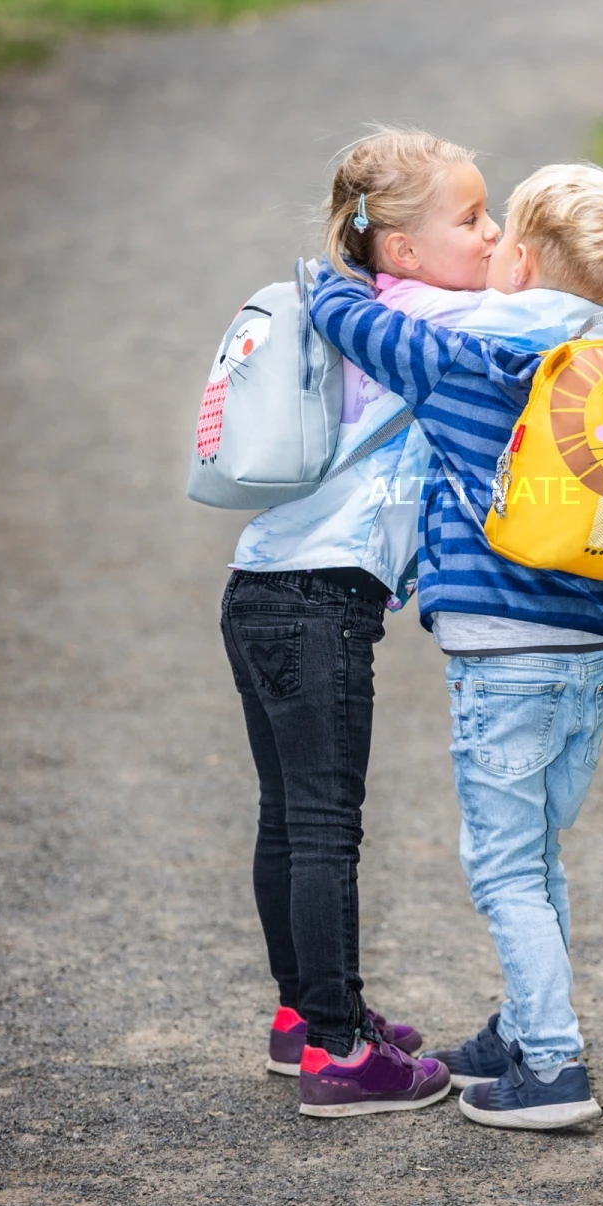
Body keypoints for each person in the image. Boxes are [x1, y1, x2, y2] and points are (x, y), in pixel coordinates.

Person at [310, 162, 603, 1129]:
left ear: (518, 261)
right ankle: (528, 1028)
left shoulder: (468, 360)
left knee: (505, 868)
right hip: (588, 659)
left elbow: (363, 328)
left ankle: (554, 1069)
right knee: (536, 856)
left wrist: (329, 274)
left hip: (501, 661)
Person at [223, 128, 540, 1117]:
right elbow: (543, 315)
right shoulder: (444, 316)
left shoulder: (356, 304)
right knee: (324, 829)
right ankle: (341, 1052)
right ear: (402, 250)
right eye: (473, 218)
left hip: (257, 587)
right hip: (322, 601)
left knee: (288, 819)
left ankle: (303, 1016)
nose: (492, 237)